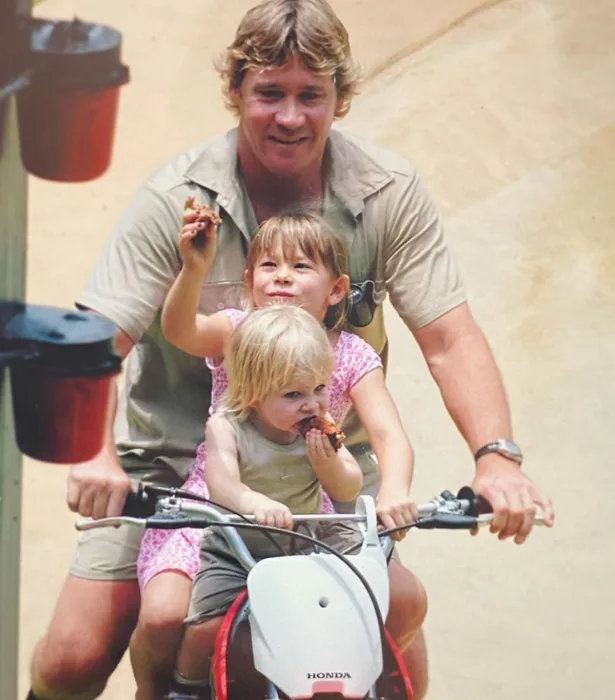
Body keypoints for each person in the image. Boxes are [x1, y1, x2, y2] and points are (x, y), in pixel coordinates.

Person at [28, 1, 554, 699]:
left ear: (340, 96)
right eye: (269, 93)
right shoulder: (178, 202)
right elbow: (94, 340)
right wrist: (96, 461)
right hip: (178, 470)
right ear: (236, 92)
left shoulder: (384, 192)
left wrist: (495, 458)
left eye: (311, 95)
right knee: (72, 657)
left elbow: (449, 338)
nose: (289, 116)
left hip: (325, 467)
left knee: (396, 647)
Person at [130, 212, 418, 699]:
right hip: (220, 506)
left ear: (336, 288)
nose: (282, 275)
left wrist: (394, 493)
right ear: (249, 281)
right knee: (164, 615)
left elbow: (390, 436)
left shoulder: (349, 355)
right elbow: (180, 330)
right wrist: (194, 269)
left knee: (403, 599)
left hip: (308, 509)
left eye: (301, 265)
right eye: (269, 264)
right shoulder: (237, 332)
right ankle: (160, 692)